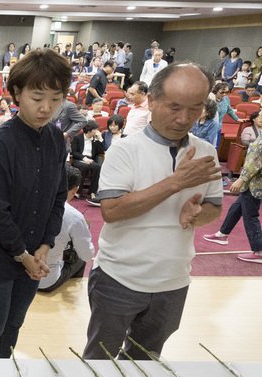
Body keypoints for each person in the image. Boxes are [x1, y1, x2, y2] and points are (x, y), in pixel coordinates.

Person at [83, 63, 223, 359]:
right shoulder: (125, 150)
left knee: (145, 359)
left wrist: (198, 215)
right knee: (100, 359)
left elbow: (214, 207)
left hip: (173, 280)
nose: (184, 118)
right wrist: (175, 183)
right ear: (153, 100)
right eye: (174, 107)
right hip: (120, 277)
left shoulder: (206, 153)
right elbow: (112, 210)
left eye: (195, 108)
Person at [0, 48, 70, 359]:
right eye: (37, 97)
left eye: (55, 98)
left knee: (13, 326)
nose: (46, 107)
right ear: (16, 93)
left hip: (33, 256)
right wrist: (23, 254)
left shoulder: (55, 139)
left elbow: (57, 197)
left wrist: (45, 245)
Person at [203, 135, 262, 264]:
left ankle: (259, 251)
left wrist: (241, 179)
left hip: (255, 183)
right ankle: (222, 234)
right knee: (237, 207)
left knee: (250, 215)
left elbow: (256, 162)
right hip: (252, 183)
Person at [38, 164, 94, 292]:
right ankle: (72, 293)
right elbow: (87, 255)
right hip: (46, 280)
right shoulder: (74, 216)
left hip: (20, 274)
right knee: (80, 256)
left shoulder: (29, 200)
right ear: (75, 190)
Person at [71, 120, 106, 205]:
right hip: (79, 158)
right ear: (90, 130)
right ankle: (78, 191)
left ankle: (92, 192)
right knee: (83, 167)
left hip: (90, 159)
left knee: (97, 167)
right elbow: (74, 152)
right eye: (95, 129)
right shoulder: (77, 138)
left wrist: (100, 140)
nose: (97, 131)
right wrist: (84, 158)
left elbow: (100, 152)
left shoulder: (95, 140)